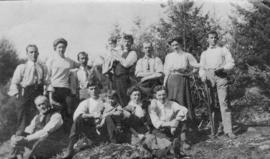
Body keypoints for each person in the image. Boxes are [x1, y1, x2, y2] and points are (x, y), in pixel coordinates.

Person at [199, 30, 236, 138]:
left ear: (217, 38)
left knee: (223, 103)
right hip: (209, 76)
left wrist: (223, 68)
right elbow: (201, 67)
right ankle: (213, 130)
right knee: (210, 104)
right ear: (207, 39)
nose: (213, 39)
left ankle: (228, 130)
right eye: (211, 37)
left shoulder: (223, 50)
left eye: (215, 37)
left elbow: (231, 63)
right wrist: (203, 76)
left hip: (221, 76)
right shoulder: (204, 53)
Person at [8, 44, 47, 136]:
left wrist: (45, 92)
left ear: (38, 53)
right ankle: (20, 137)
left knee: (37, 114)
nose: (34, 54)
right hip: (25, 92)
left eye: (35, 52)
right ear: (27, 54)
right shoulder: (22, 67)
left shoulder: (41, 67)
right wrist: (17, 94)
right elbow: (14, 82)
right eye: (31, 52)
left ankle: (34, 136)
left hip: (38, 92)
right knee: (23, 115)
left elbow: (45, 81)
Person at [62, 80, 105, 159]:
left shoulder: (104, 100)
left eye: (96, 88)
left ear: (99, 89)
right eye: (91, 89)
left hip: (103, 127)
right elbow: (77, 116)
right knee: (79, 119)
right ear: (88, 91)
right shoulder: (85, 102)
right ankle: (70, 147)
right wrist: (91, 115)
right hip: (91, 129)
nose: (94, 91)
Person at [164, 37, 200, 123]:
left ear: (180, 44)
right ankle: (173, 124)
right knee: (172, 101)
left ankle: (187, 124)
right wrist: (164, 83)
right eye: (173, 45)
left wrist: (188, 74)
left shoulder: (187, 55)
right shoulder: (169, 56)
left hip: (182, 81)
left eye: (176, 44)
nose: (175, 47)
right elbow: (166, 71)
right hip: (171, 81)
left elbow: (196, 66)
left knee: (183, 101)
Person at [148, 85, 189, 158]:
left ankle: (180, 143)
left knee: (182, 120)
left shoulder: (171, 103)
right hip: (158, 130)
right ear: (155, 96)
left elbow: (184, 110)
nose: (162, 97)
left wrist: (176, 121)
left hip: (171, 128)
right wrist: (171, 124)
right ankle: (172, 148)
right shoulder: (152, 106)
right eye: (159, 95)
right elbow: (156, 123)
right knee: (164, 151)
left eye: (164, 94)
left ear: (167, 94)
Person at [45, 38, 77, 123]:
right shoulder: (51, 60)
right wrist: (49, 92)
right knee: (54, 111)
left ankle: (67, 133)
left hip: (66, 88)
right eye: (59, 47)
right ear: (55, 48)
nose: (61, 49)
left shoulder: (69, 61)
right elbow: (47, 77)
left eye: (63, 47)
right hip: (54, 89)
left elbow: (79, 65)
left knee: (68, 111)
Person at [111, 34, 138, 106]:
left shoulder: (133, 53)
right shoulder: (120, 52)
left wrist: (118, 57)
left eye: (129, 42)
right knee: (117, 100)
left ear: (132, 43)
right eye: (125, 41)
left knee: (125, 99)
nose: (126, 43)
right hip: (116, 79)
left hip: (125, 79)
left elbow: (126, 64)